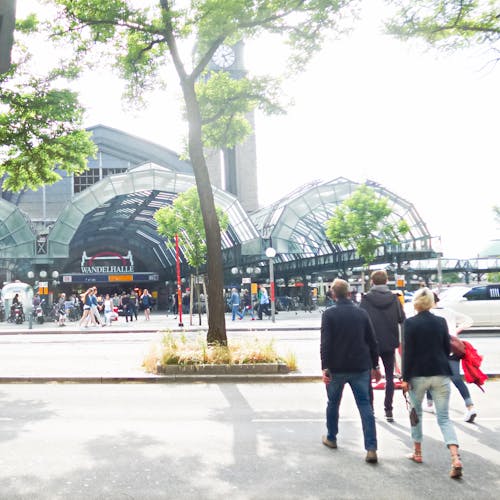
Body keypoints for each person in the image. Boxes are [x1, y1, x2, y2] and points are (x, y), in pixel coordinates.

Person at [401, 287, 463, 479]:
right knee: (444, 418)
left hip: (418, 375)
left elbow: (407, 353)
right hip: (440, 373)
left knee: (416, 414)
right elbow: (446, 348)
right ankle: (455, 457)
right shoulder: (441, 322)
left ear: (416, 302)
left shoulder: (409, 323)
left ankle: (417, 452)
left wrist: (405, 378)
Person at [320, 278, 381, 464]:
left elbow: (326, 344)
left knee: (333, 403)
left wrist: (325, 367)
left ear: (333, 295)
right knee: (365, 406)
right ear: (349, 293)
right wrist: (375, 365)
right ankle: (371, 448)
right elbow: (372, 341)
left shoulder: (328, 315)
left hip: (337, 368)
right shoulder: (361, 313)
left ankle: (331, 437)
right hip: (360, 366)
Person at [360, 270, 406, 422]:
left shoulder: (366, 299)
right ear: (387, 281)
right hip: (389, 342)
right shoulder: (394, 299)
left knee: (368, 377)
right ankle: (389, 409)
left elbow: (360, 319)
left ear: (372, 282)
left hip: (369, 343)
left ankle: (371, 409)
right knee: (389, 377)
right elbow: (402, 319)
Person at [425, 293, 477, 422]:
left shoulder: (427, 314)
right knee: (456, 379)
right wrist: (456, 331)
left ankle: (430, 404)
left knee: (431, 376)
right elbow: (468, 320)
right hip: (453, 348)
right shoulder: (449, 311)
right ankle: (470, 407)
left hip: (435, 349)